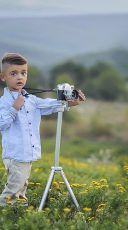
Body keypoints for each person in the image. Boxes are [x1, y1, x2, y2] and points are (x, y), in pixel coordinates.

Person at [0, 52, 86, 206]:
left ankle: (18, 216)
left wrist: (72, 102)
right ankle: (5, 215)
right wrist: (14, 108)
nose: (19, 77)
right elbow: (2, 124)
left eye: (23, 73)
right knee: (12, 191)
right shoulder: (4, 102)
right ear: (3, 77)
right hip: (15, 154)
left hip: (27, 154)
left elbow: (50, 104)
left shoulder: (31, 100)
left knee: (21, 189)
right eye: (13, 73)